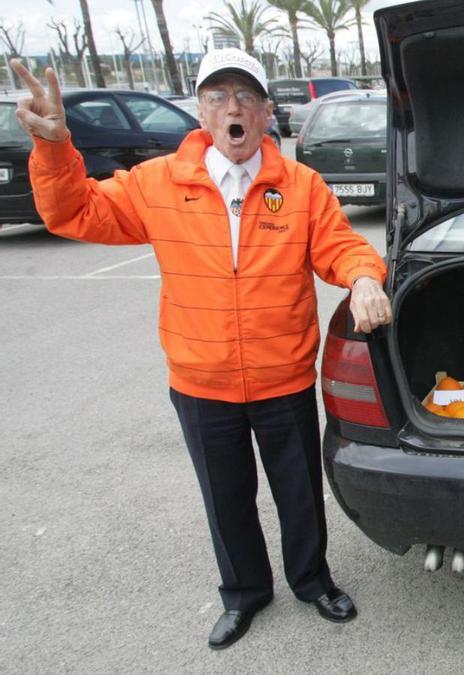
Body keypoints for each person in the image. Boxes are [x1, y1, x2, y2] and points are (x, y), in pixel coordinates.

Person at [10, 49, 393, 649]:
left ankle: (312, 581)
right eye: (218, 97)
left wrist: (366, 277)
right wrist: (55, 147)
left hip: (281, 375)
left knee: (298, 492)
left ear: (268, 113)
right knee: (225, 495)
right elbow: (74, 212)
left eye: (245, 97)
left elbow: (341, 247)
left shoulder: (300, 186)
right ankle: (243, 594)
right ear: (201, 111)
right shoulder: (158, 182)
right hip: (200, 379)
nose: (232, 108)